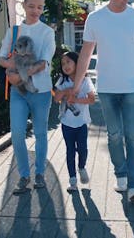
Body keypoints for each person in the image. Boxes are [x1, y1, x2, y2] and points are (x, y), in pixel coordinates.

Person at [70, 0, 134, 203]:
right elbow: (86, 53)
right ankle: (120, 173)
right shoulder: (96, 18)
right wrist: (77, 84)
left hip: (133, 87)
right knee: (114, 136)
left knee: (132, 137)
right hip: (108, 88)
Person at [0, 0, 55, 193]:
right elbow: (2, 58)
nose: (35, 10)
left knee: (40, 133)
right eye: (31, 6)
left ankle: (39, 174)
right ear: (23, 5)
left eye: (39, 7)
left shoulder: (47, 32)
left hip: (41, 91)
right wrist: (10, 65)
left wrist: (21, 74)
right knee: (17, 134)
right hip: (18, 92)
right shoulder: (14, 31)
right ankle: (24, 176)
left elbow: (44, 63)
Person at [54, 51, 96, 192]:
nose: (65, 65)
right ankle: (72, 180)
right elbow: (56, 98)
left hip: (82, 123)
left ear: (77, 63)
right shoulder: (62, 81)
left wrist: (76, 99)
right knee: (70, 150)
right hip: (67, 123)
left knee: (82, 149)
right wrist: (67, 91)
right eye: (63, 63)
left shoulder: (85, 80)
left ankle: (82, 167)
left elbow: (91, 99)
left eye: (68, 62)